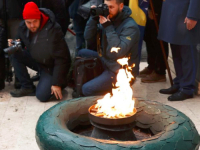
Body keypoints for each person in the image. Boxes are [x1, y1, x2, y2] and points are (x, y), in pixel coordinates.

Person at [8, 2, 71, 102]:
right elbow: (19, 41)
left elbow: (63, 58)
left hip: (50, 67)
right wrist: (13, 43)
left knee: (42, 96)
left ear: (40, 18)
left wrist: (57, 83)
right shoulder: (23, 27)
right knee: (14, 52)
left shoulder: (53, 29)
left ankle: (58, 82)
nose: (32, 25)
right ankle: (27, 86)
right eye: (28, 22)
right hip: (37, 60)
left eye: (35, 21)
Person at [78, 0, 139, 96]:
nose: (108, 10)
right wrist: (93, 19)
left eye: (111, 7)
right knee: (81, 52)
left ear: (121, 6)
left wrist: (108, 27)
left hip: (119, 70)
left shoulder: (130, 26)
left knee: (86, 89)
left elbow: (119, 51)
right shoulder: (108, 18)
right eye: (106, 7)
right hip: (107, 60)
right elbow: (88, 37)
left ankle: (116, 92)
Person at [158, 0, 200, 101]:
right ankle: (179, 83)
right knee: (176, 51)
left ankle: (187, 88)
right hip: (173, 12)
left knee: (187, 53)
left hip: (185, 12)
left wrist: (193, 15)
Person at [139, 0, 169, 83]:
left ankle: (160, 71)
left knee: (158, 38)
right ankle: (151, 66)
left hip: (159, 6)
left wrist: (154, 8)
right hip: (150, 4)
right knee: (149, 36)